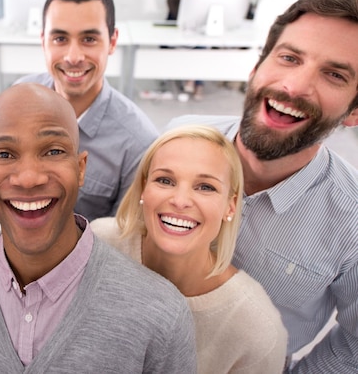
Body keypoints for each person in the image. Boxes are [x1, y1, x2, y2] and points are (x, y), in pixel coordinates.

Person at [0, 83, 196, 373]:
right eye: (4, 154)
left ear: (81, 168)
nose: (28, 178)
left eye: (53, 151)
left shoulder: (160, 313)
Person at [167, 0, 358, 372]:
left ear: (355, 112)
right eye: (289, 58)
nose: (295, 86)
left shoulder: (352, 220)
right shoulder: (176, 139)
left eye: (334, 75)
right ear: (257, 67)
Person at [92, 125, 288, 373]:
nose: (180, 201)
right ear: (143, 189)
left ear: (231, 205)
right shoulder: (98, 244)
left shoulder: (256, 330)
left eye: (205, 187)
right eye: (165, 180)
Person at [15, 0, 159, 221]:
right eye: (60, 39)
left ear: (112, 42)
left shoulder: (138, 143)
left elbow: (121, 237)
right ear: (43, 41)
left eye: (89, 39)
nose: (73, 57)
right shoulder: (19, 99)